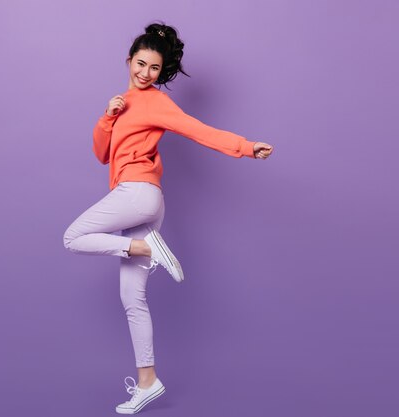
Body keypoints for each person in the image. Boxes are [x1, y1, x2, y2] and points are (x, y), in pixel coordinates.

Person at [63, 21, 273, 414]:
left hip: (138, 193)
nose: (145, 74)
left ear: (161, 72)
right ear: (129, 61)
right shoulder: (123, 103)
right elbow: (101, 153)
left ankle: (147, 247)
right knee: (133, 298)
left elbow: (198, 130)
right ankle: (148, 381)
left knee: (72, 237)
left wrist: (245, 147)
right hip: (143, 200)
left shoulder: (156, 102)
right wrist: (108, 116)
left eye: (154, 69)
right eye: (140, 65)